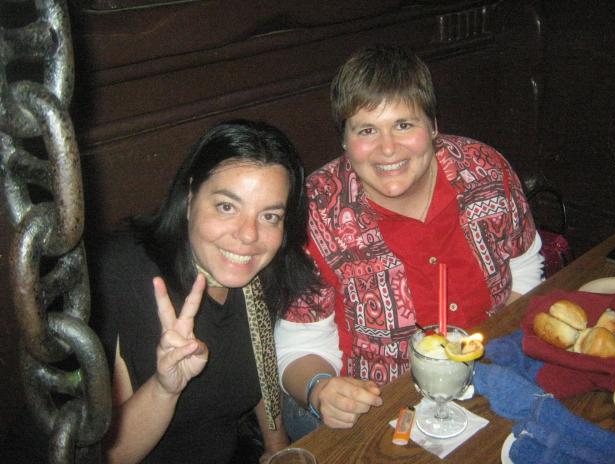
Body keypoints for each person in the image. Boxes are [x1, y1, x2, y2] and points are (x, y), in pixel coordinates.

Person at [274, 45, 545, 440]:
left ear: (433, 126)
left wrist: (503, 349)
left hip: (495, 377)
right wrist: (320, 389)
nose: (388, 149)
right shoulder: (317, 211)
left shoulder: (485, 170)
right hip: (380, 408)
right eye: (367, 130)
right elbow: (300, 342)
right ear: (344, 140)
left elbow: (525, 265)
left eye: (404, 124)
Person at [89, 119, 317, 463]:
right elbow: (107, 455)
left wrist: (277, 449)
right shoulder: (122, 273)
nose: (248, 235)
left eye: (269, 216)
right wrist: (164, 388)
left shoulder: (259, 275)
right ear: (190, 196)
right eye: (227, 207)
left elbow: (261, 371)